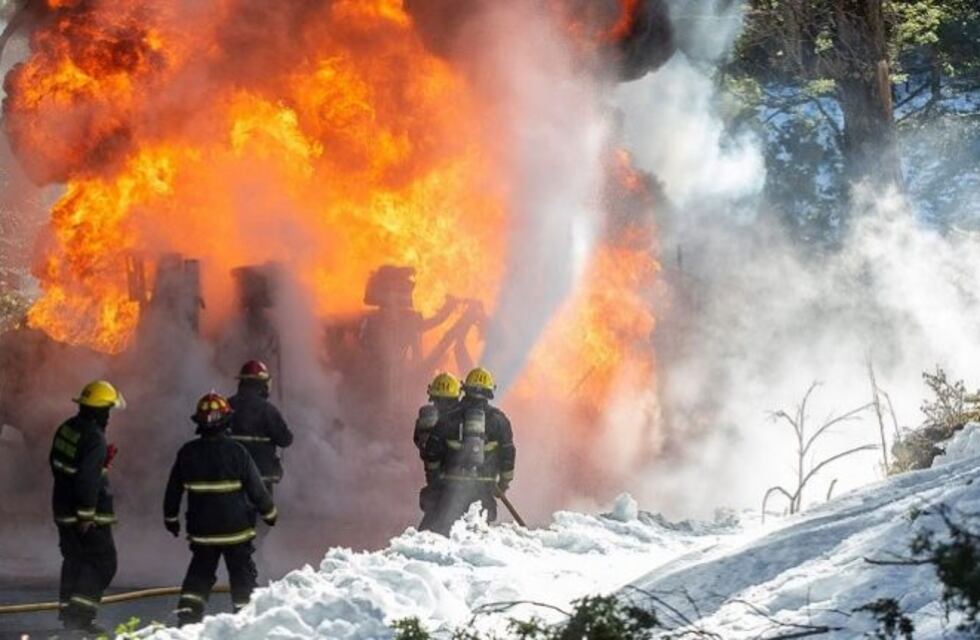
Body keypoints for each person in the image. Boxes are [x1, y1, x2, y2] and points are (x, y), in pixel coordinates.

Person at [164, 392, 277, 626]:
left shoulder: (187, 452)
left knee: (199, 576)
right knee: (242, 578)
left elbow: (173, 490)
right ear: (226, 421)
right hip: (236, 531)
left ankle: (187, 621)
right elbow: (257, 490)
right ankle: (246, 625)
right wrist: (270, 514)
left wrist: (171, 519)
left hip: (203, 532)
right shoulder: (237, 452)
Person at [49, 380, 125, 634]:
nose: (109, 416)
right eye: (108, 410)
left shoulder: (67, 428)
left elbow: (59, 464)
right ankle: (81, 617)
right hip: (86, 515)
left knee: (74, 560)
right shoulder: (95, 438)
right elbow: (86, 480)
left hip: (61, 507)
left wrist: (99, 464)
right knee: (104, 562)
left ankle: (68, 615)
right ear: (101, 409)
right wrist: (86, 515)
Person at [420, 367, 516, 536]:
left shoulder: (448, 417)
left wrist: (434, 481)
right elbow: (508, 457)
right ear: (490, 391)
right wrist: (502, 485)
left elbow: (431, 454)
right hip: (483, 491)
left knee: (431, 537)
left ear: (464, 389)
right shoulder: (500, 421)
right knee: (476, 540)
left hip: (448, 491)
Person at [228, 360, 293, 494]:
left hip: (232, 478)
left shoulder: (227, 406)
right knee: (263, 512)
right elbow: (285, 440)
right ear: (263, 384)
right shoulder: (268, 410)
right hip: (260, 478)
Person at [415, 372, 461, 530]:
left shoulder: (428, 419)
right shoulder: (461, 419)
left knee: (430, 528)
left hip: (438, 483)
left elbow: (420, 446)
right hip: (459, 481)